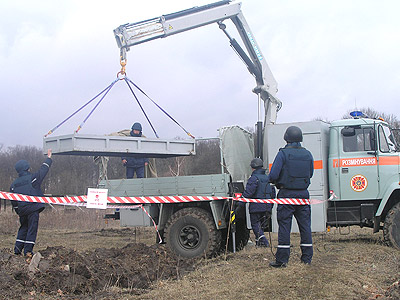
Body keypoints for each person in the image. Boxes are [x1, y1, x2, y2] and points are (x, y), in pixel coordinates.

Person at [268, 126, 314, 268]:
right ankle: (306, 258)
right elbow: (310, 173)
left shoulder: (283, 154)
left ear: (286, 137)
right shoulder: (308, 154)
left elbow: (273, 175)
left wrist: (272, 181)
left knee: (284, 226)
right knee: (305, 227)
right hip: (303, 195)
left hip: (286, 195)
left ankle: (282, 260)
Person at [10, 149, 52, 258]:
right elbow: (43, 171)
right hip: (33, 209)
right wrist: (49, 158)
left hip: (22, 211)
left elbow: (13, 201)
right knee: (32, 229)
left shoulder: (13, 185)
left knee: (23, 227)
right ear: (27, 168)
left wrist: (18, 210)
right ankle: (28, 251)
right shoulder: (32, 179)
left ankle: (17, 249)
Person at [242, 158, 276, 247]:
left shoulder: (254, 178)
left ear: (253, 167)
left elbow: (249, 193)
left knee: (256, 225)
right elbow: (273, 192)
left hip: (256, 207)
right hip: (267, 206)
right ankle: (259, 244)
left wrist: (240, 203)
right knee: (261, 226)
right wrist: (270, 205)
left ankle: (264, 243)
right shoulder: (268, 178)